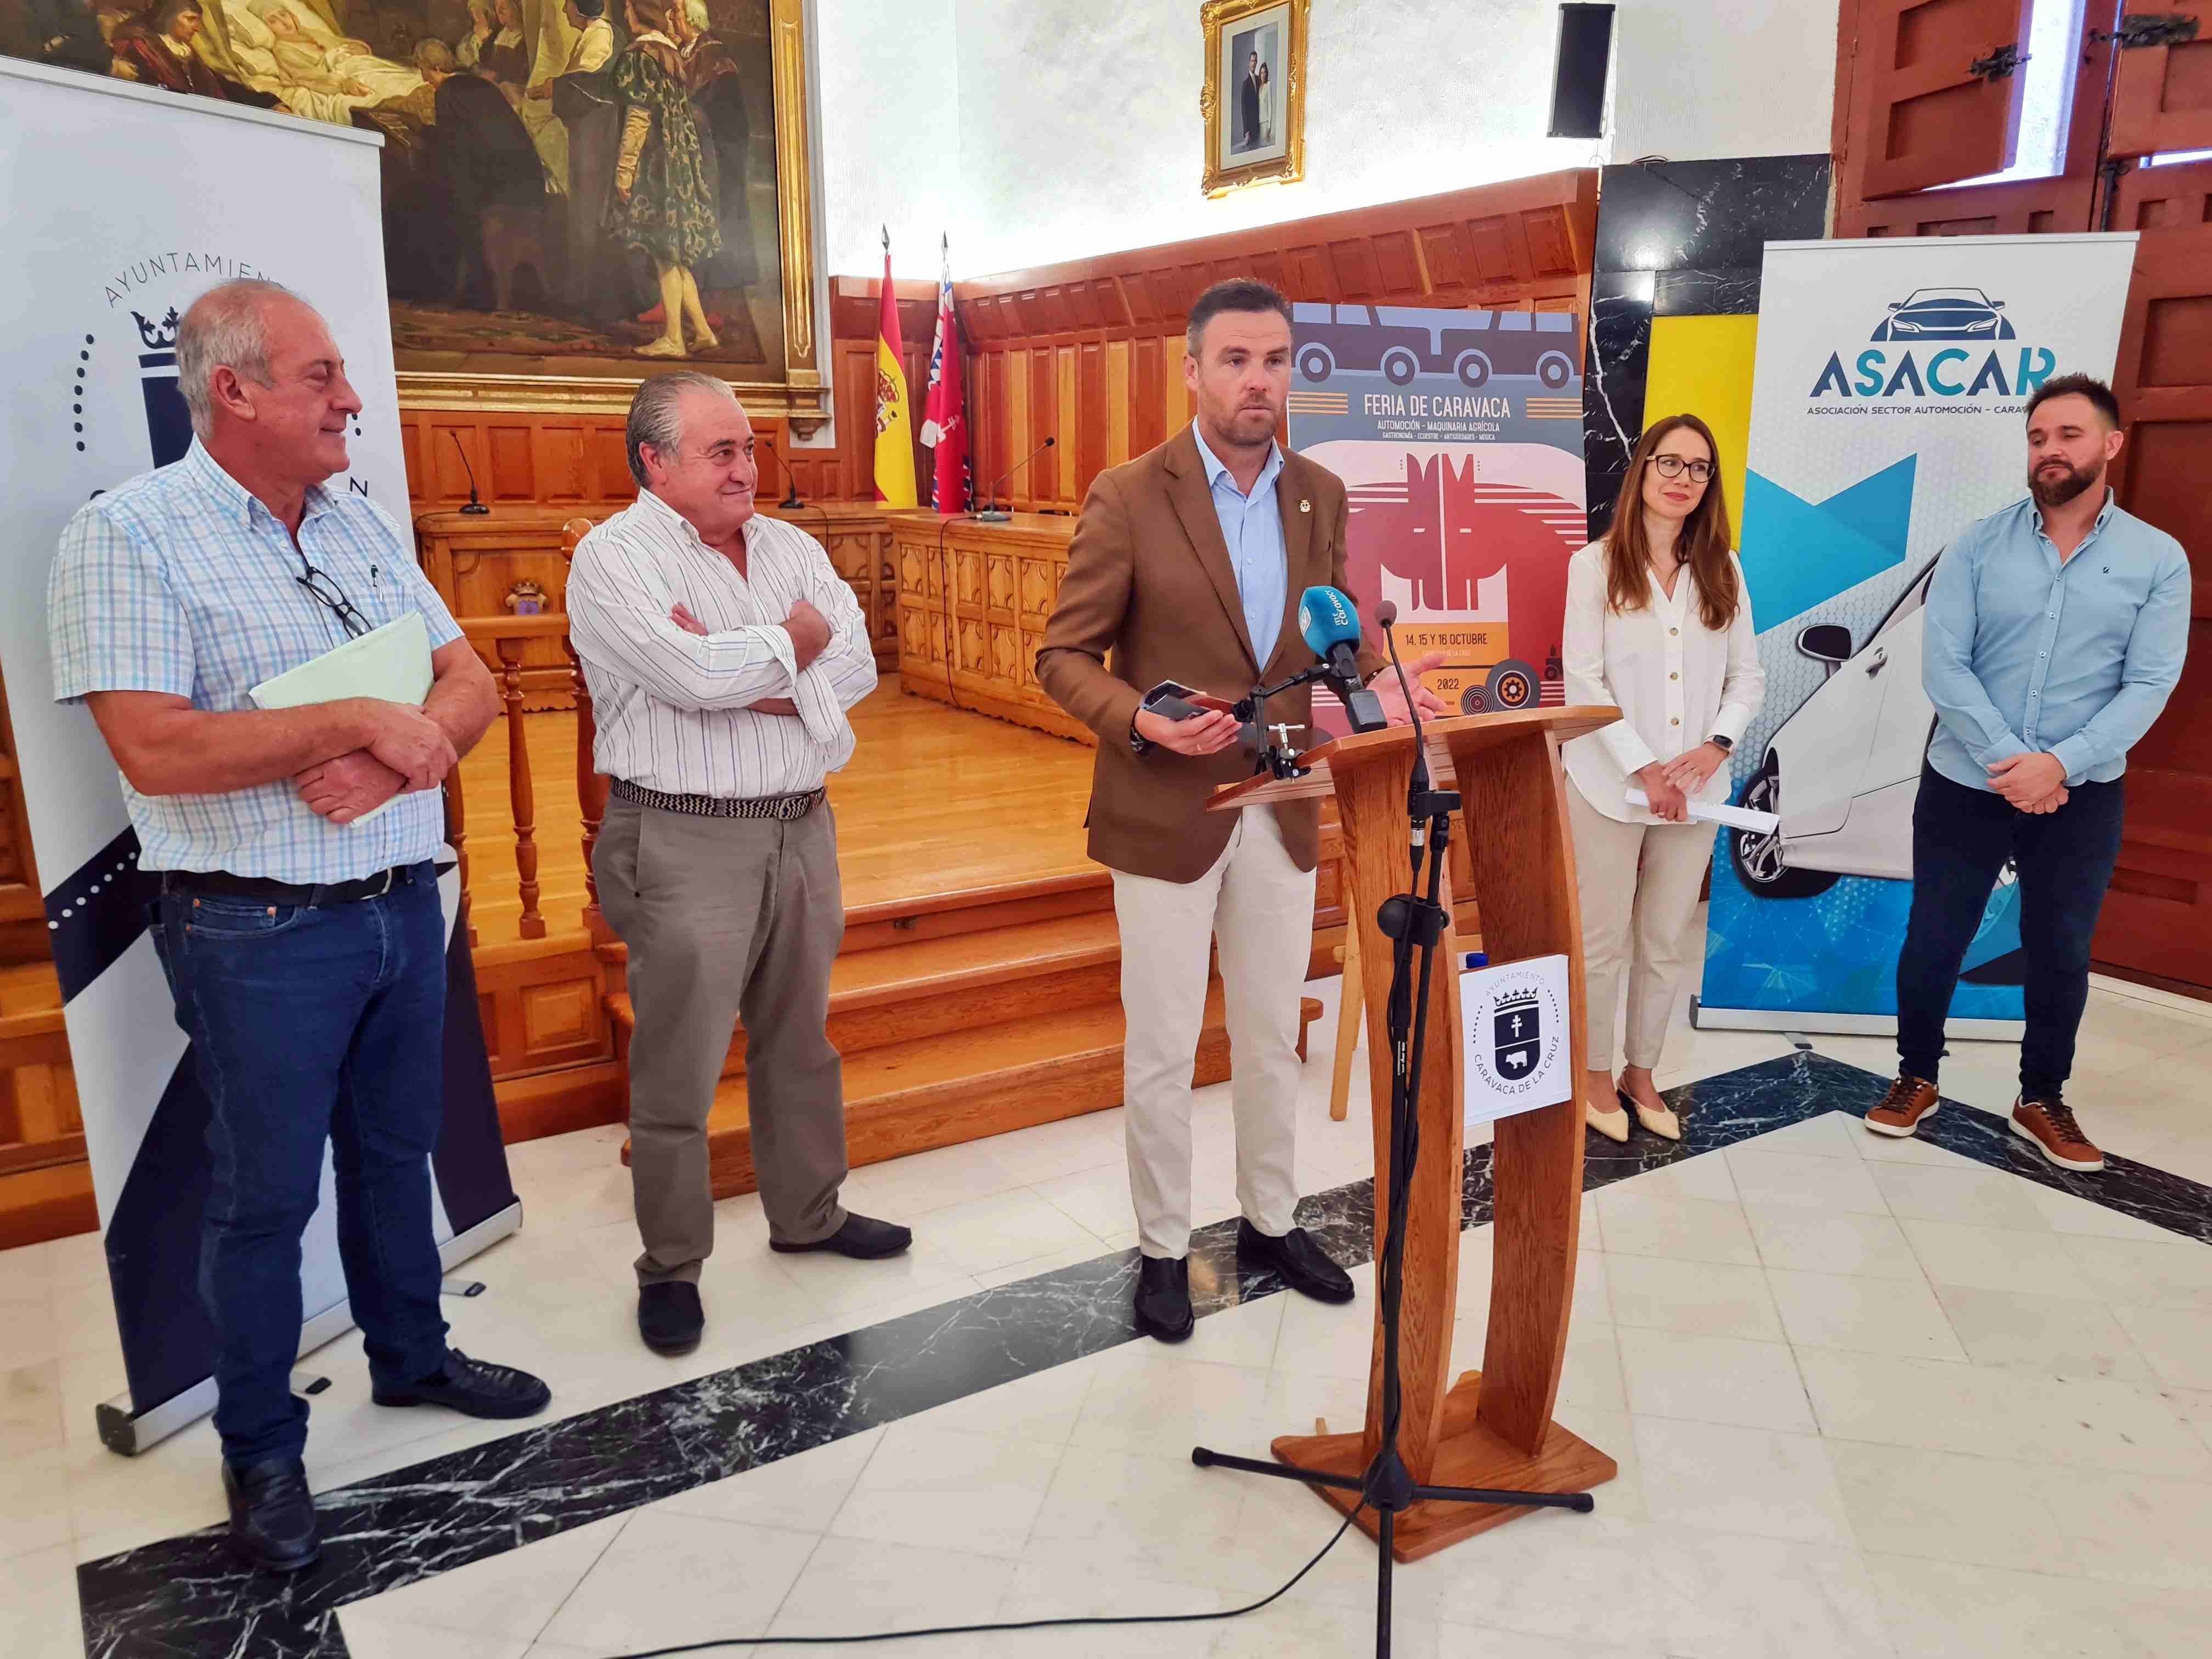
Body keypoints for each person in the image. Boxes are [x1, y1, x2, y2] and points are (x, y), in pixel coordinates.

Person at [46, 279, 551, 1574]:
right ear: (235, 390)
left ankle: (413, 1357)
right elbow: (154, 748)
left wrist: (399, 758)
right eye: (324, 377)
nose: (353, 401)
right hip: (255, 935)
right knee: (264, 1204)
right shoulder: (131, 536)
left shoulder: (361, 518)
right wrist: (351, 725)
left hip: (398, 906)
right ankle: (262, 1450)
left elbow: (469, 677)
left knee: (394, 1164)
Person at [1037, 278, 1443, 1342]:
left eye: (1275, 360)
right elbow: (1062, 657)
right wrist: (1142, 722)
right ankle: (1164, 1248)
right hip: (1166, 811)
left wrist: (1369, 670)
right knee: (1165, 1049)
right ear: (1192, 372)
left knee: (1271, 1036)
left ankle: (1271, 1220)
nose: (1259, 380)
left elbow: (1319, 642)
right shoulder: (1128, 494)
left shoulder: (1318, 491)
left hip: (1285, 806)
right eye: (1235, 360)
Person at [565, 373, 908, 1359]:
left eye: (750, 447)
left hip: (802, 825)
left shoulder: (792, 545)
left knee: (800, 1039)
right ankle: (670, 1266)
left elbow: (857, 666)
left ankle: (809, 1211)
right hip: (681, 834)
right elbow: (686, 676)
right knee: (678, 1063)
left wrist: (752, 666)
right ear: (653, 461)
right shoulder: (611, 557)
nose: (745, 467)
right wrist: (789, 648)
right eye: (721, 451)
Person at [1865, 374, 2189, 1171]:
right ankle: (1916, 1077)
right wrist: (2014, 762)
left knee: (2060, 947)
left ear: (2111, 445)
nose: (2050, 451)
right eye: (2039, 438)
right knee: (1934, 937)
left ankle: (2042, 1096)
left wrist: (2058, 766)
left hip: (2082, 792)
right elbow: (1946, 666)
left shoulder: (2159, 558)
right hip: (1964, 782)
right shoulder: (1976, 544)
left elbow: (2150, 682)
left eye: (2070, 435)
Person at [1561, 415, 1764, 1143]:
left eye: (1699, 468)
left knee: (1664, 938)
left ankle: (1640, 1072)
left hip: (1697, 792)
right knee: (1602, 939)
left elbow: (1747, 679)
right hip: (1606, 786)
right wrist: (1645, 768)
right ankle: (1590, 1075)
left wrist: (1714, 749)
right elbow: (1582, 682)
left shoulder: (1725, 569)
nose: (1683, 478)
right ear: (1642, 472)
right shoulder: (1594, 566)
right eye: (1669, 463)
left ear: (1710, 485)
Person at [609, 0, 722, 358]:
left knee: (665, 255)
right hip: (681, 162)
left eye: (628, 10)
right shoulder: (670, 54)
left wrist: (624, 170)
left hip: (658, 166)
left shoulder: (640, 56)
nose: (625, 17)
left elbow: (638, 118)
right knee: (676, 255)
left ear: (639, 14)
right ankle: (703, 333)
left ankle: (674, 339)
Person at [1237, 48, 1261, 151]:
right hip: (1250, 130)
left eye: (1255, 61)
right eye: (1252, 61)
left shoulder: (1259, 79)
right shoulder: (1245, 84)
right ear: (1249, 63)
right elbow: (1244, 109)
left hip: (1259, 126)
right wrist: (1246, 131)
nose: (1254, 63)